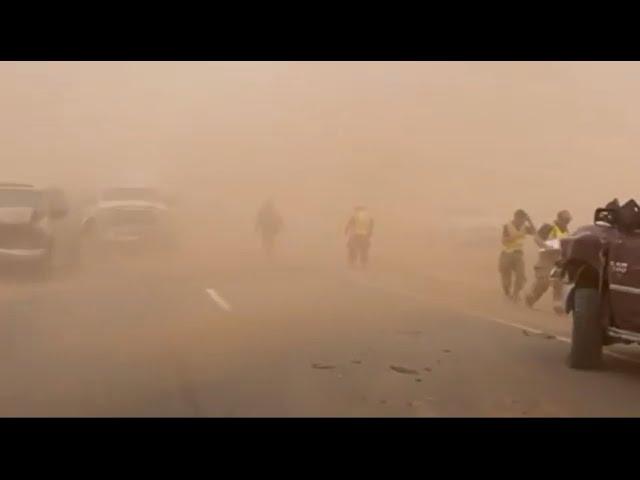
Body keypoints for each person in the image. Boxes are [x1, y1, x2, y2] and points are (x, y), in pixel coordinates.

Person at [525, 210, 572, 314]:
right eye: (565, 220)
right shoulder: (548, 227)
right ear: (559, 218)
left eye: (568, 220)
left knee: (558, 281)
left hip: (558, 259)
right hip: (546, 258)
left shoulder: (566, 232)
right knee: (543, 282)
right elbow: (536, 238)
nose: (566, 222)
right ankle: (530, 298)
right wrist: (544, 245)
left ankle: (557, 304)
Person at [499, 209, 536, 302]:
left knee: (521, 275)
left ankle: (515, 294)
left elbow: (534, 232)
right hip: (506, 254)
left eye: (523, 219)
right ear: (515, 217)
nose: (522, 221)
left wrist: (530, 221)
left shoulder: (524, 227)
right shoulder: (507, 226)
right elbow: (504, 241)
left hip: (518, 254)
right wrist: (517, 235)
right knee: (506, 279)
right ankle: (507, 291)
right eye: (520, 219)